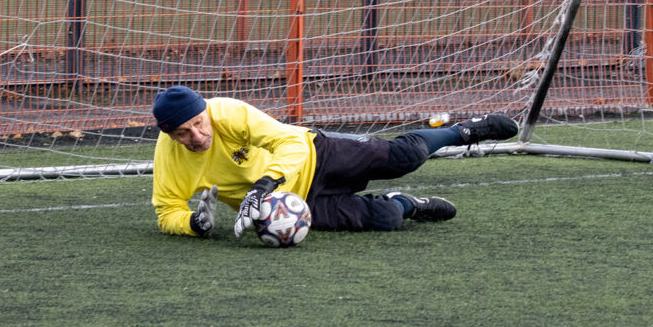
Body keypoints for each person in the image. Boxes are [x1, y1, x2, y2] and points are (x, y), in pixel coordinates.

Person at [149, 85, 518, 238]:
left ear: (206, 113)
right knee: (387, 220)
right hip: (293, 205)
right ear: (169, 135)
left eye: (198, 124)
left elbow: (288, 141)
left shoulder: (227, 112)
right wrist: (195, 224)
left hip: (317, 153)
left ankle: (464, 131)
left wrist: (264, 183)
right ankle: (406, 203)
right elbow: (167, 211)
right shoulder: (170, 158)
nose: (196, 137)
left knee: (406, 156)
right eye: (183, 133)